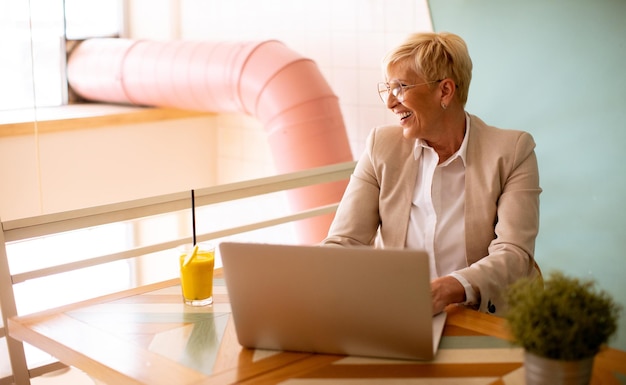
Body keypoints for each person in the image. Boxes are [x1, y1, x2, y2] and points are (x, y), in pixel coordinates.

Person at [321, 32, 541, 316]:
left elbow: (514, 253)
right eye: (387, 89)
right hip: (401, 314)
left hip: (482, 315)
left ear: (445, 91)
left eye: (400, 87)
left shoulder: (512, 151)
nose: (390, 102)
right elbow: (345, 241)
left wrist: (448, 288)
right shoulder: (381, 146)